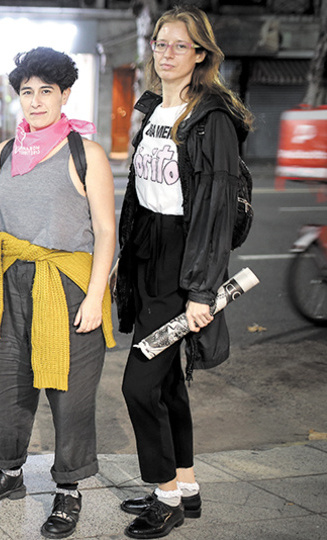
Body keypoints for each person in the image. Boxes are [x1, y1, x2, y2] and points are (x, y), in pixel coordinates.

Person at [0, 47, 116, 540]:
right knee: (6, 384)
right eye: (26, 92)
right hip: (9, 283)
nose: (34, 101)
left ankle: (69, 489)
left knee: (69, 396)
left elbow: (107, 232)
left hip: (67, 285)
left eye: (45, 91)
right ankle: (8, 472)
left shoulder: (84, 152)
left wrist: (95, 298)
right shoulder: (6, 152)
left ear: (64, 94)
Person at [116, 6, 252, 539]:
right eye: (160, 42)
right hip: (149, 250)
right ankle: (187, 487)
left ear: (201, 54)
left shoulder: (212, 117)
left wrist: (201, 290)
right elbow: (141, 192)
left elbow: (215, 210)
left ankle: (164, 495)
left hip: (184, 257)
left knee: (138, 386)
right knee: (169, 382)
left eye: (179, 45)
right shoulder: (152, 106)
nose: (165, 53)